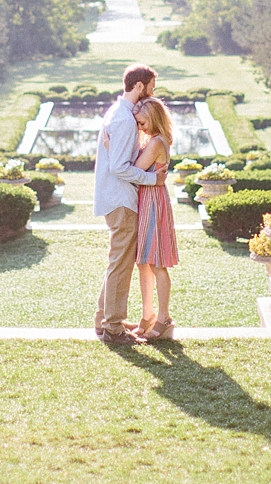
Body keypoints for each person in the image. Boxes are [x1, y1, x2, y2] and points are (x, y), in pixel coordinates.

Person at [92, 63, 164, 344]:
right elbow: (120, 167)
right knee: (121, 264)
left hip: (116, 198)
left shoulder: (118, 112)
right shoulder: (122, 119)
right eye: (151, 88)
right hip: (121, 199)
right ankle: (113, 328)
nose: (152, 94)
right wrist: (151, 179)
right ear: (139, 86)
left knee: (117, 261)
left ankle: (105, 319)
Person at [133, 96, 179, 339]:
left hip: (153, 202)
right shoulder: (155, 140)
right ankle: (147, 315)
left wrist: (111, 149)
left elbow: (136, 170)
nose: (141, 128)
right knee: (144, 262)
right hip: (148, 199)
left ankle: (163, 317)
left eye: (143, 123)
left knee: (156, 263)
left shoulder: (156, 143)